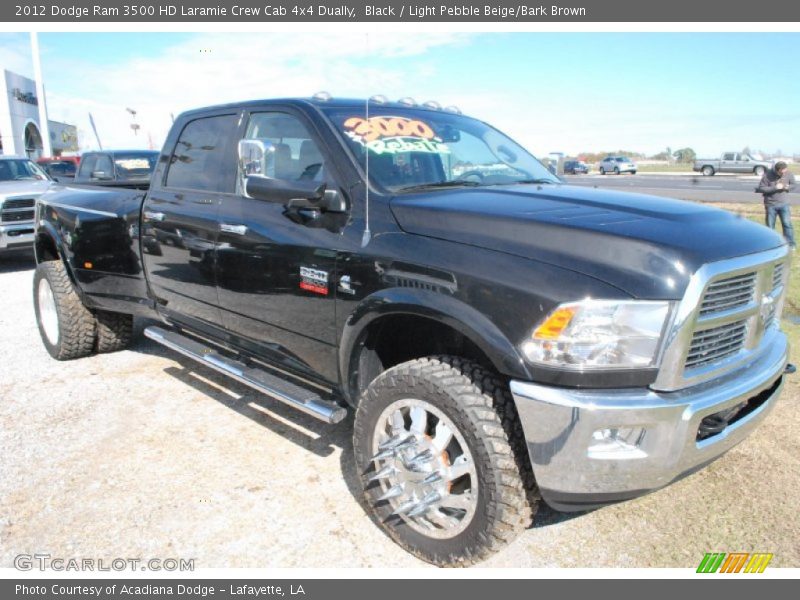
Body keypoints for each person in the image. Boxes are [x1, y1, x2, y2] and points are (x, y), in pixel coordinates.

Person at [756, 161, 796, 249]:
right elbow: (761, 188)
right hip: (771, 204)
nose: (784, 173)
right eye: (782, 172)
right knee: (770, 226)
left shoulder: (788, 173)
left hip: (784, 203)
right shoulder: (767, 175)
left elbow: (793, 184)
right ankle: (772, 245)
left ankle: (790, 244)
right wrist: (775, 188)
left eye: (785, 171)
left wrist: (787, 187)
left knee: (787, 224)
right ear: (777, 170)